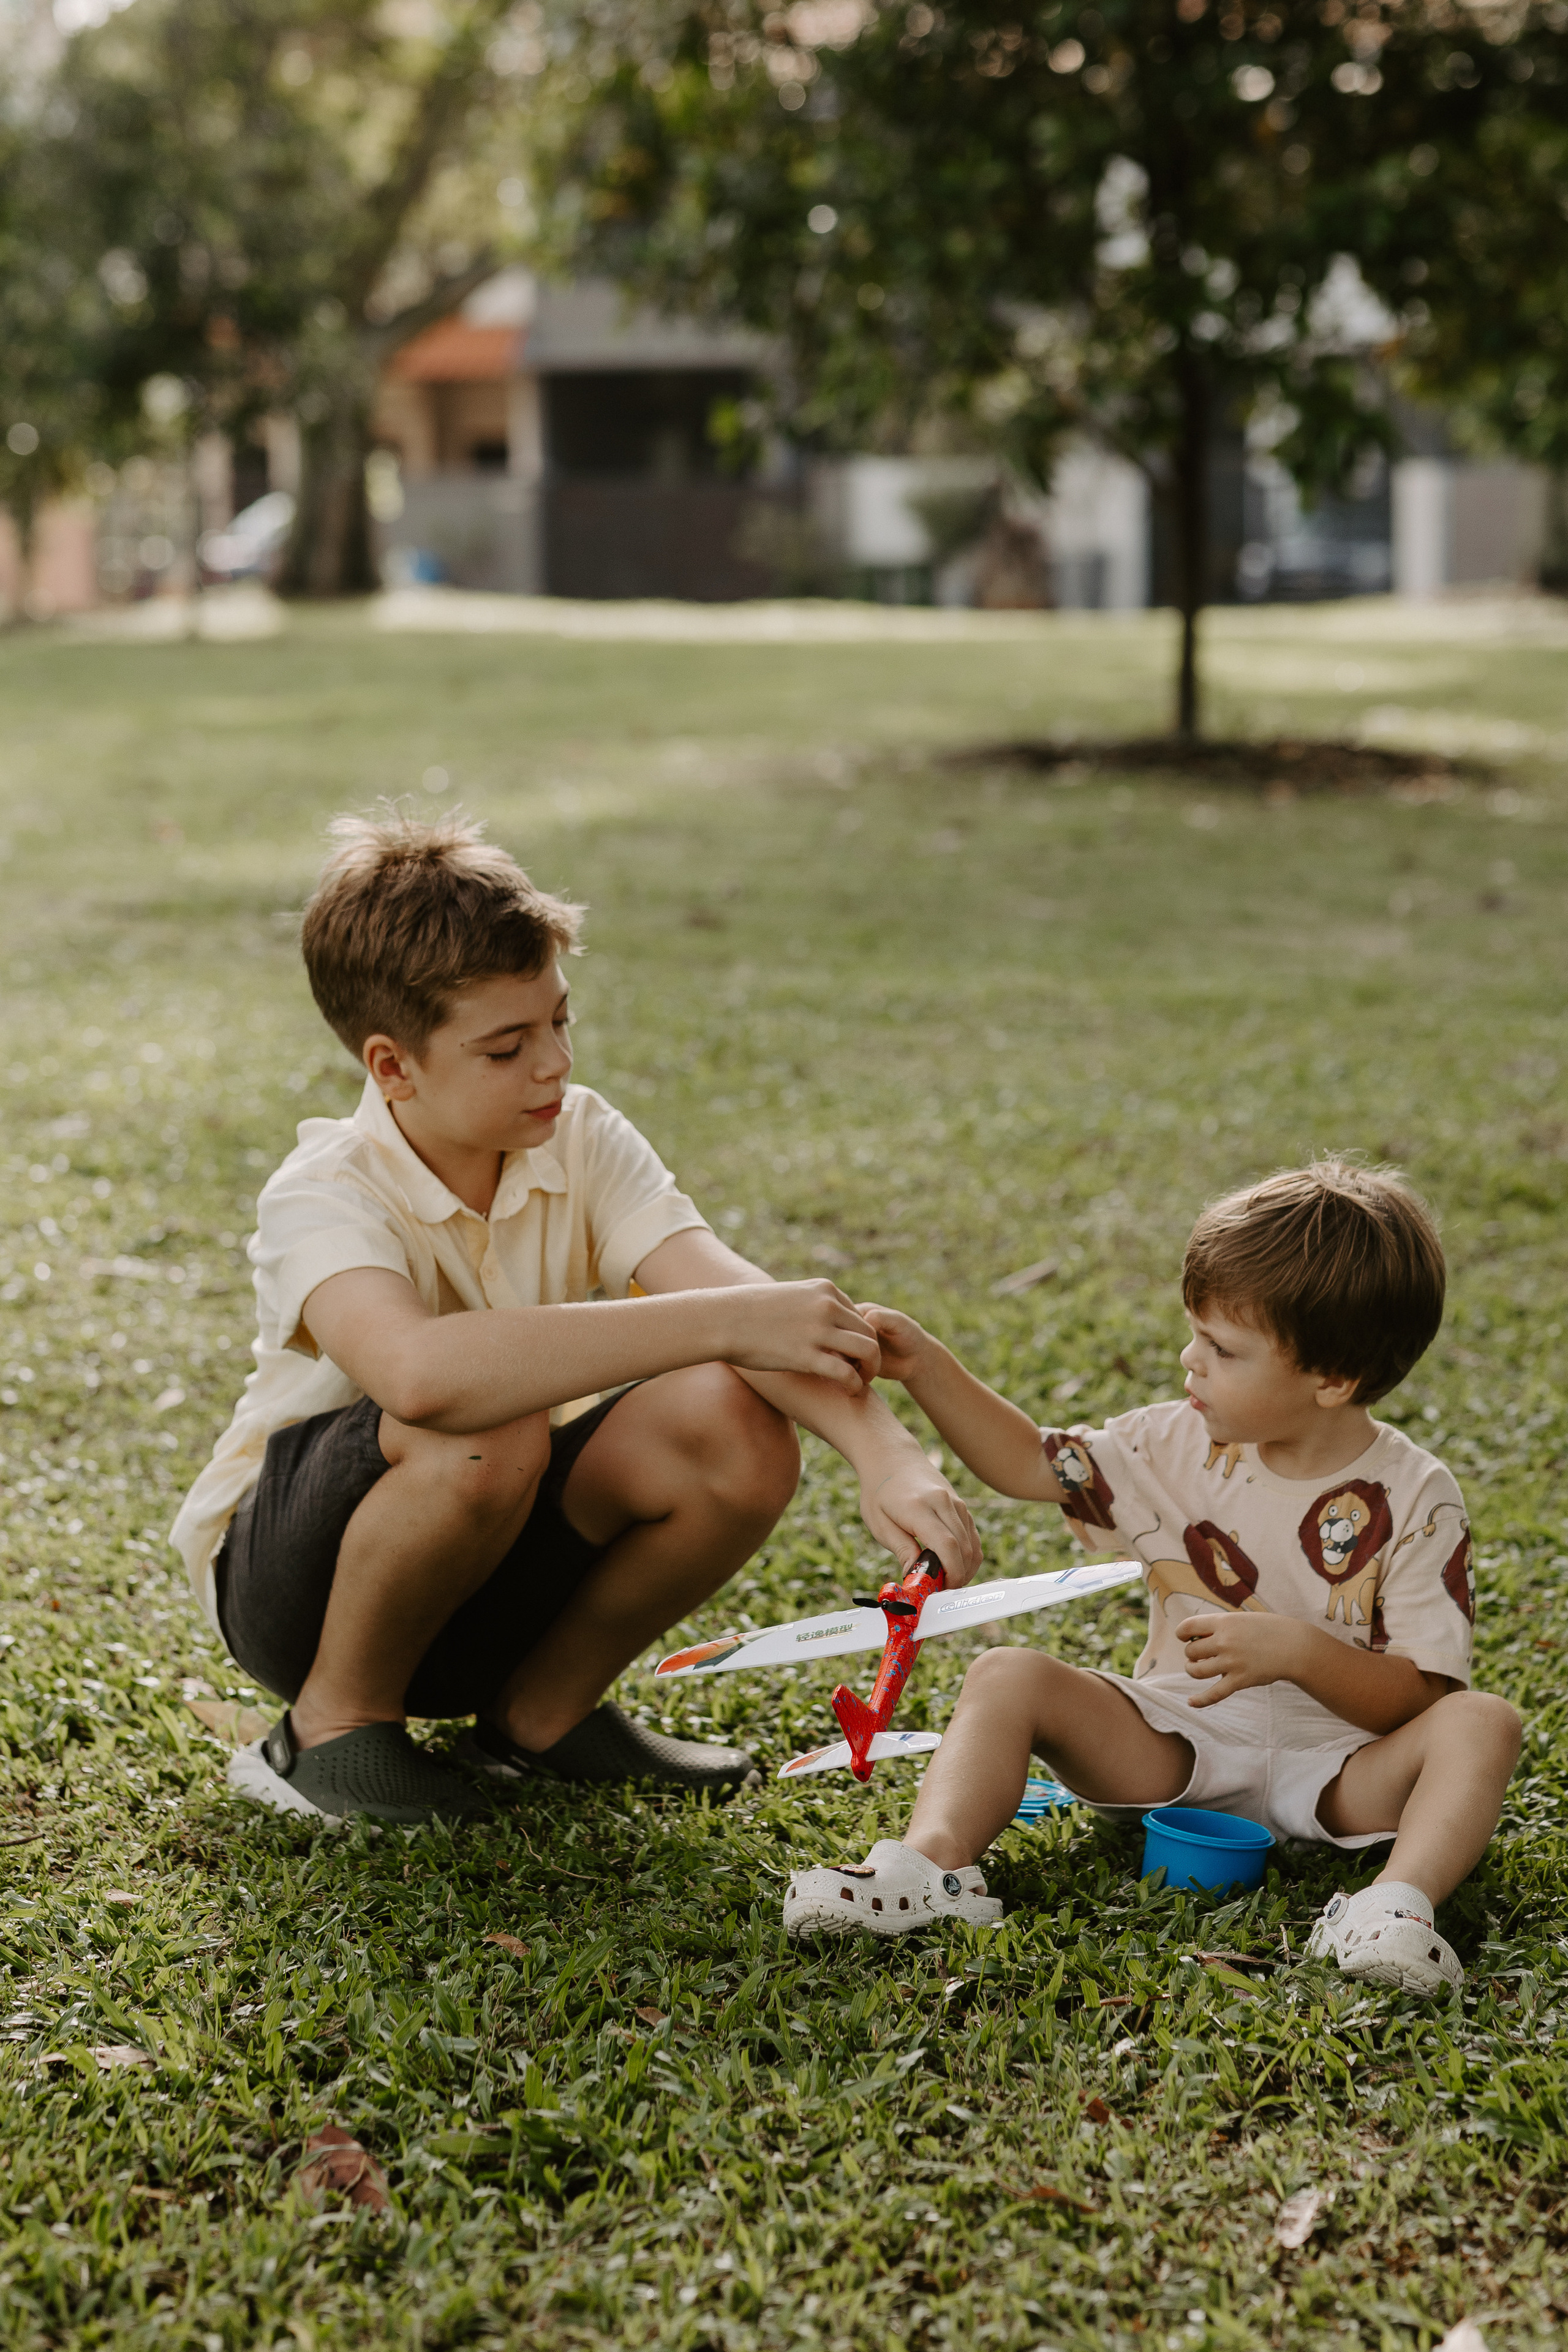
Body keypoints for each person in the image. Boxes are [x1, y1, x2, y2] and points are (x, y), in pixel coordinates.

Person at [172, 807, 979, 1825]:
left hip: (489, 1561)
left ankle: (537, 1719)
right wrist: (721, 1324)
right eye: (507, 1047)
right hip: (298, 1591)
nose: (553, 1063)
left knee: (733, 1423)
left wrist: (888, 1458)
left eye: (560, 1021)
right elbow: (422, 1377)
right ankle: (328, 1734)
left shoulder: (582, 1135)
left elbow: (734, 1299)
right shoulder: (322, 1192)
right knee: (486, 1417)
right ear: (392, 1067)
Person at [783, 1161, 1521, 1997]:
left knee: (1481, 1722)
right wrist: (927, 1368)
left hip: (1345, 1770)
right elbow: (1035, 1463)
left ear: (1333, 1379)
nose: (1190, 1361)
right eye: (1195, 1334)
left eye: (1222, 1348)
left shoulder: (1416, 1497)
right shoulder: (1172, 1441)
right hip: (1176, 1744)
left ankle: (1394, 1907)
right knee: (1008, 1673)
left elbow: (1420, 1700)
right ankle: (931, 1869)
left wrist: (1299, 1652)